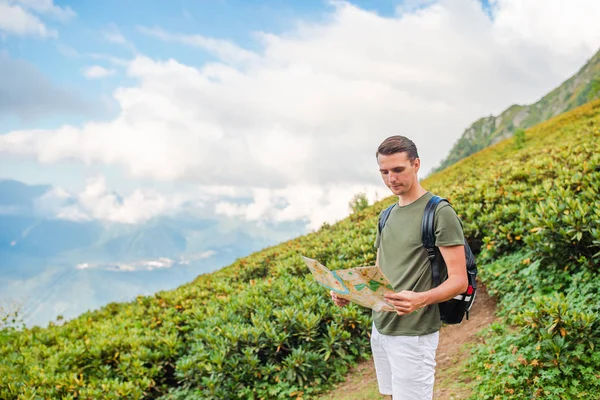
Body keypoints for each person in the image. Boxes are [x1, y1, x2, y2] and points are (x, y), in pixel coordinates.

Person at [330, 135, 468, 400]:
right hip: (381, 327)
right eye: (384, 172)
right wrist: (349, 291)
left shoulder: (439, 212)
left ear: (416, 165)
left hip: (414, 333)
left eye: (398, 170)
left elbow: (459, 281)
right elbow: (380, 274)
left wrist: (420, 299)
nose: (391, 178)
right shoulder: (387, 215)